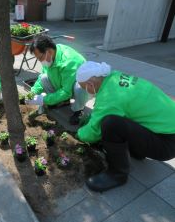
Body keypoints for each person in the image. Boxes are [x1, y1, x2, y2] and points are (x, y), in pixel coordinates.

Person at [75, 61, 175, 192]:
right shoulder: (114, 77)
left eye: (84, 88)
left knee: (110, 124)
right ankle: (138, 151)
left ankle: (117, 174)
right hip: (165, 129)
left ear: (90, 84)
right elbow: (112, 106)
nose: (85, 91)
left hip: (166, 144)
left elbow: (93, 131)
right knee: (119, 116)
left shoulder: (109, 97)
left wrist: (79, 134)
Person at [25, 35, 89, 125]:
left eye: (40, 58)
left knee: (79, 87)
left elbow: (66, 91)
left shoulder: (69, 61)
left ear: (49, 51)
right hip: (64, 83)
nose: (40, 61)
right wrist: (33, 92)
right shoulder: (50, 56)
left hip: (85, 86)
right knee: (43, 78)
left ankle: (79, 110)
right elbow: (42, 76)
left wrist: (43, 100)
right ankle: (61, 101)